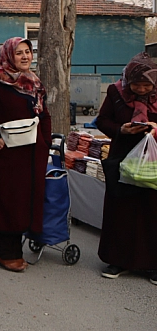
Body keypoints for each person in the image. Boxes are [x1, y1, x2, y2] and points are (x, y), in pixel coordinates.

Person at [0, 38, 51, 273]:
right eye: (19, 53)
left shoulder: (33, 82)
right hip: (2, 152)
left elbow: (44, 113)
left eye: (28, 52)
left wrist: (46, 141)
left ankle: (15, 249)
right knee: (4, 200)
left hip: (30, 153)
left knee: (22, 200)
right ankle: (4, 252)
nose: (25, 57)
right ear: (7, 56)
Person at [95, 53, 157, 285]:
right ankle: (117, 260)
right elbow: (102, 121)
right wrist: (121, 129)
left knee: (151, 210)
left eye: (146, 85)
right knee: (121, 210)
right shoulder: (115, 92)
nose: (141, 89)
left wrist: (155, 129)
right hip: (123, 158)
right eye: (136, 85)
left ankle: (152, 263)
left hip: (153, 162)